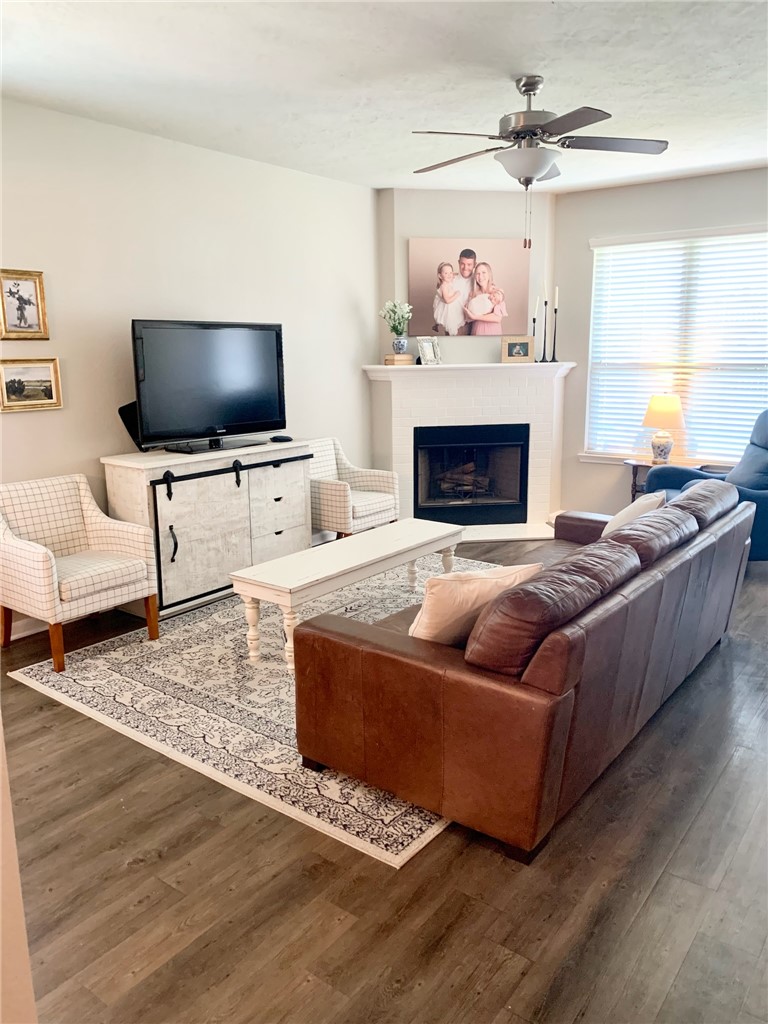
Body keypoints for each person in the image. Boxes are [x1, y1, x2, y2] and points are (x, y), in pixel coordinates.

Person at [464, 263, 507, 335]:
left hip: (492, 331)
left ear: (489, 274)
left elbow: (497, 318)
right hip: (477, 330)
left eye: (483, 272)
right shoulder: (473, 294)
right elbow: (468, 318)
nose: (480, 276)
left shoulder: (497, 293)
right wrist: (469, 316)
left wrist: (475, 317)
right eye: (477, 273)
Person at [431, 262, 465, 336]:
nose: (449, 275)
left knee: (453, 327)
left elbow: (453, 275)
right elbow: (447, 301)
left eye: (450, 272)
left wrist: (454, 274)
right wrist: (457, 294)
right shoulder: (444, 286)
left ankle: (437, 326)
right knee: (450, 328)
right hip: (448, 310)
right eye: (446, 273)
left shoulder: (448, 280)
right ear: (440, 275)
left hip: (452, 308)